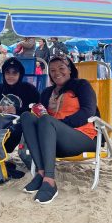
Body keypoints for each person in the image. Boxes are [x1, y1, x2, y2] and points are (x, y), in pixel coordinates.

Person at [20, 55, 99, 204]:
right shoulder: (46, 92)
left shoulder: (82, 85)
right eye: (52, 70)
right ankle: (41, 172)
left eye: (61, 68)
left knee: (47, 120)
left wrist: (58, 124)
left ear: (70, 69)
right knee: (27, 116)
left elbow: (88, 111)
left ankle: (50, 182)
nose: (57, 73)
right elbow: (40, 115)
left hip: (82, 136)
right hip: (52, 141)